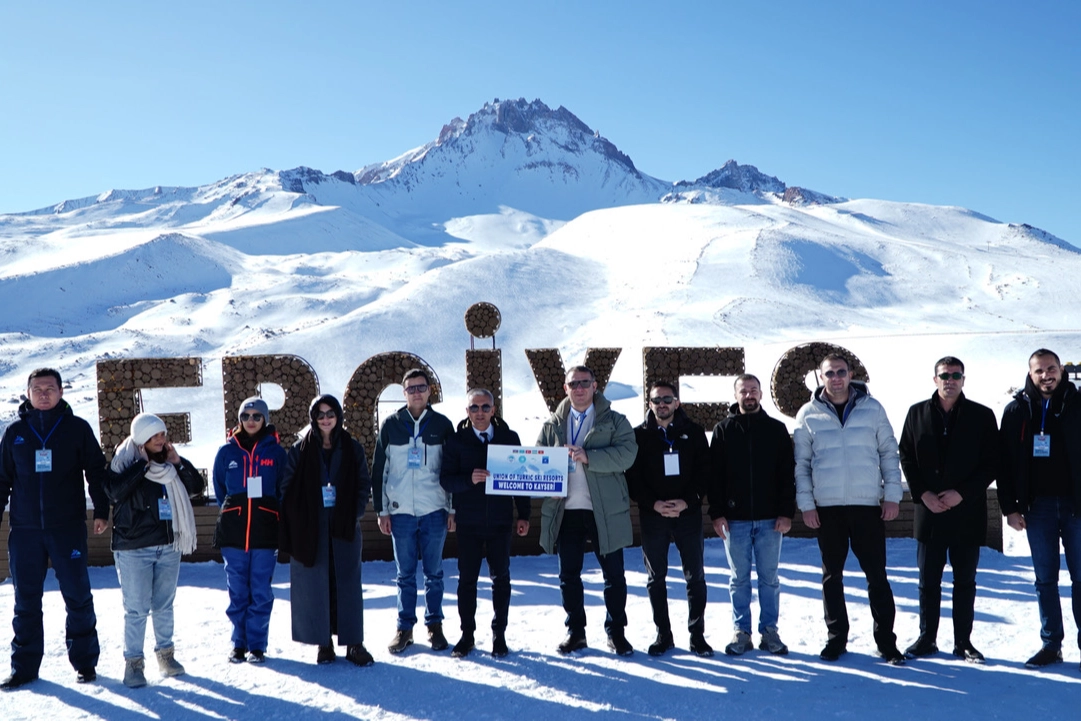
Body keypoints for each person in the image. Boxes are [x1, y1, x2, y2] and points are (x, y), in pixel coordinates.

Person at [0, 368, 110, 690]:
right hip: (25, 531)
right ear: (28, 393)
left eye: (50, 388)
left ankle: (85, 663)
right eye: (37, 389)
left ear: (61, 392)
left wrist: (101, 511)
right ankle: (24, 667)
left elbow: (96, 472)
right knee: (26, 600)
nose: (44, 393)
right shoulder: (15, 433)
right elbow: (2, 480)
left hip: (67, 528)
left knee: (77, 595)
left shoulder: (77, 429)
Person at [794, 354, 906, 665]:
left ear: (851, 373)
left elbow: (889, 453)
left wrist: (893, 496)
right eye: (829, 373)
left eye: (841, 372)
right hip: (827, 510)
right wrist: (806, 504)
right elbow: (801, 465)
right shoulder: (808, 414)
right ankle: (836, 639)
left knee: (877, 577)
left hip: (867, 507)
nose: (836, 378)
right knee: (833, 577)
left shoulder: (872, 409)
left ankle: (886, 642)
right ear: (820, 377)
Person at [898, 357, 997, 663]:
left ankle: (963, 642)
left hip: (966, 512)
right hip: (930, 513)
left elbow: (992, 462)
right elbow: (907, 457)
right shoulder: (917, 413)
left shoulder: (981, 415)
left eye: (956, 375)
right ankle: (927, 638)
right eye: (945, 375)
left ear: (963, 380)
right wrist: (922, 494)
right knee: (928, 580)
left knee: (965, 581)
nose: (950, 380)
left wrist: (963, 494)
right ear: (935, 379)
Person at [538, 365, 638, 656]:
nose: (579, 388)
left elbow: (627, 454)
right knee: (569, 576)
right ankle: (576, 633)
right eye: (574, 384)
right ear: (565, 389)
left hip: (603, 511)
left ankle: (616, 633)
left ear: (595, 386)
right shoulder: (552, 424)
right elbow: (539, 457)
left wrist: (589, 457)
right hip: (566, 511)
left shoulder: (615, 420)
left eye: (585, 383)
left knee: (614, 576)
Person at [105, 413, 203, 688]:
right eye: (154, 435)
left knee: (163, 605)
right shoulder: (123, 463)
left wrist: (178, 463)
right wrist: (141, 468)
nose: (161, 439)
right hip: (134, 548)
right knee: (136, 609)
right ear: (141, 438)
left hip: (168, 546)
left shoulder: (169, 464)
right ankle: (134, 664)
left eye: (162, 434)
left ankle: (166, 656)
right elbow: (113, 492)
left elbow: (197, 488)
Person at [999, 349, 1081, 670]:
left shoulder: (1078, 405)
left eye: (1051, 369)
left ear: (1061, 370)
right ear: (1030, 373)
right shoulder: (1018, 410)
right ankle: (1051, 644)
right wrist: (1009, 507)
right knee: (1045, 580)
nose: (1046, 375)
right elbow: (1003, 464)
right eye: (1039, 371)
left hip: (1077, 508)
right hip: (1038, 509)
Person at [279, 395, 373, 666]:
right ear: (313, 418)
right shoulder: (300, 448)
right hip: (311, 528)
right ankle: (323, 642)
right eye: (320, 414)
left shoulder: (351, 447)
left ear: (338, 415)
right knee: (316, 585)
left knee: (347, 585)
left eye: (330, 413)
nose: (325, 419)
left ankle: (354, 643)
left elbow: (363, 483)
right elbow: (286, 486)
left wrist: (353, 512)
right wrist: (299, 518)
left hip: (344, 527)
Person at [439, 389, 531, 658]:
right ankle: (467, 636)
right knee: (467, 580)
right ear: (467, 411)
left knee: (501, 579)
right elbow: (446, 480)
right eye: (474, 407)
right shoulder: (457, 441)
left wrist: (523, 514)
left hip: (501, 522)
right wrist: (469, 479)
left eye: (485, 407)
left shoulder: (508, 438)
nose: (480, 412)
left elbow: (521, 479)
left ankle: (499, 636)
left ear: (494, 409)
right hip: (469, 523)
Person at [709, 374, 795, 657]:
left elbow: (786, 475)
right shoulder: (723, 430)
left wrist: (786, 512)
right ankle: (741, 632)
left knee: (769, 579)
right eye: (744, 391)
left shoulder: (776, 429)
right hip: (735, 520)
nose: (749, 395)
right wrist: (717, 513)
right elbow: (715, 477)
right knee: (739, 579)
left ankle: (769, 631)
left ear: (761, 394)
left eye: (753, 390)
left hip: (771, 520)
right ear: (735, 396)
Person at [625, 381, 712, 657]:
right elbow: (633, 479)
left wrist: (687, 501)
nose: (662, 404)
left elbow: (704, 473)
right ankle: (663, 634)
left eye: (667, 399)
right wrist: (654, 504)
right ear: (649, 404)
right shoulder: (638, 436)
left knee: (695, 576)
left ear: (677, 402)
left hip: (688, 514)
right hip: (654, 516)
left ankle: (697, 635)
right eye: (656, 400)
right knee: (656, 578)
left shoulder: (694, 433)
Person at [371, 369, 455, 654]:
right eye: (411, 388)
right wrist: (382, 510)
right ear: (404, 393)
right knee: (405, 574)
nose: (416, 392)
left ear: (429, 391)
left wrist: (451, 508)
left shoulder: (442, 425)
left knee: (434, 573)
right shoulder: (392, 425)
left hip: (434, 510)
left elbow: (451, 469)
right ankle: (404, 627)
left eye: (421, 387)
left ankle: (435, 626)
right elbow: (379, 471)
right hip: (401, 512)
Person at [212, 397, 287, 664]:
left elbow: (283, 490)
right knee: (237, 590)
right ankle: (238, 643)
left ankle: (256, 645)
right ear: (239, 420)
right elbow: (220, 490)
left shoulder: (277, 453)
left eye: (257, 416)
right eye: (246, 416)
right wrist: (234, 512)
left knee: (260, 590)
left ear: (265, 419)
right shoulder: (226, 452)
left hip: (265, 531)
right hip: (234, 532)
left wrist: (272, 515)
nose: (251, 421)